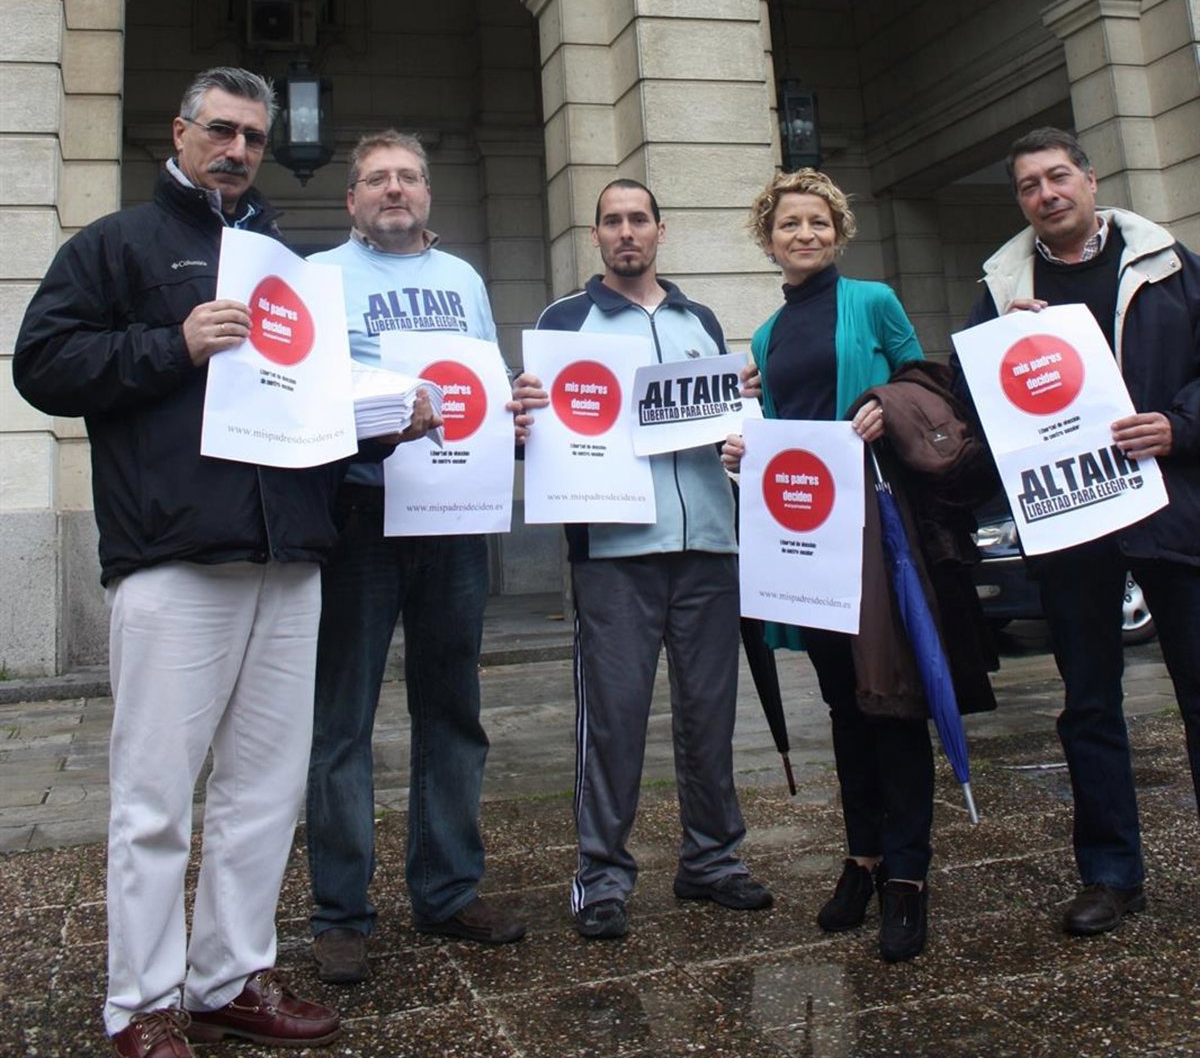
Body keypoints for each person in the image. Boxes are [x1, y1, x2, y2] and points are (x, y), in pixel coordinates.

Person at [12, 68, 343, 1058]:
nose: (238, 149)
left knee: (265, 790)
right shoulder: (118, 244)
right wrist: (172, 343)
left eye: (254, 136)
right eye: (222, 130)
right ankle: (142, 1003)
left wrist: (382, 417)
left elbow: (309, 402)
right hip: (175, 555)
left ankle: (230, 976)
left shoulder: (286, 263)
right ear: (181, 131)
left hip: (289, 555)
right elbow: (43, 363)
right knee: (155, 797)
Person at [724, 169, 995, 964]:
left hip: (880, 531)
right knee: (844, 703)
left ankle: (908, 874)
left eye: (817, 221)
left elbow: (929, 387)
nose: (803, 233)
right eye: (789, 223)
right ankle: (864, 857)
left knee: (893, 700)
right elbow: (782, 426)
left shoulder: (873, 300)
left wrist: (886, 399)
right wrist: (747, 449)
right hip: (809, 539)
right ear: (769, 238)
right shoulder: (767, 335)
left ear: (838, 230)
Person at [954, 126, 1200, 937]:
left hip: (1170, 511)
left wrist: (1179, 426)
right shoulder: (1001, 289)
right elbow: (970, 405)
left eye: (1058, 176)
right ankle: (1111, 874)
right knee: (1089, 703)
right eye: (1029, 185)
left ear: (1090, 180)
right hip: (1069, 525)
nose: (1046, 193)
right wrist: (1001, 341)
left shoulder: (1167, 265)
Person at [513, 180, 773, 940]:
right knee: (614, 719)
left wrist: (742, 428)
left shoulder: (702, 321)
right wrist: (522, 416)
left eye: (638, 219)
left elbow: (728, 428)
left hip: (708, 546)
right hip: (614, 552)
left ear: (662, 229)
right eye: (612, 221)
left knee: (710, 715)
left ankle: (712, 860)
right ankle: (601, 877)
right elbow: (543, 430)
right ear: (596, 235)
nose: (626, 231)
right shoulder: (565, 321)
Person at [305, 130, 525, 986]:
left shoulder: (463, 277)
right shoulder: (318, 276)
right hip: (360, 514)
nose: (393, 189)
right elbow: (304, 391)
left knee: (453, 708)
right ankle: (341, 912)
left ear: (428, 192)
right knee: (342, 721)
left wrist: (514, 404)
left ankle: (446, 889)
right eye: (376, 179)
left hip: (453, 518)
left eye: (407, 177)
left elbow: (483, 380)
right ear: (351, 199)